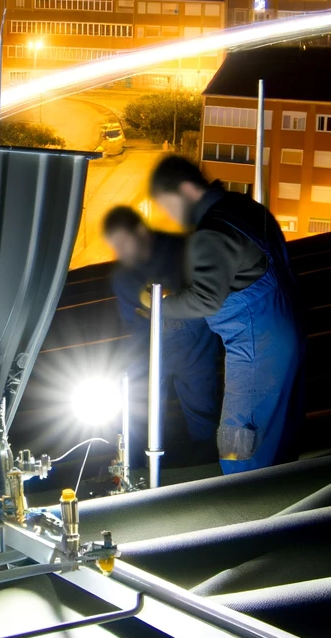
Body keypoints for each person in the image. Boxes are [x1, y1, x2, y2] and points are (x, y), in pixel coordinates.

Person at [147, 156, 305, 474]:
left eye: (167, 206)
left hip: (255, 345)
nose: (170, 216)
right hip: (288, 329)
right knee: (279, 428)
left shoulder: (212, 233)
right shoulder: (244, 208)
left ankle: (241, 502)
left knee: (241, 438)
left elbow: (205, 300)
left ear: (185, 191)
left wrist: (158, 304)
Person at [103, 205, 221, 454]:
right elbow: (134, 323)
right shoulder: (123, 277)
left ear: (140, 232)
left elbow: (205, 299)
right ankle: (137, 464)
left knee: (202, 411)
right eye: (115, 246)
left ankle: (208, 467)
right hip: (150, 348)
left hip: (195, 347)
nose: (120, 252)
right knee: (138, 409)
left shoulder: (182, 251)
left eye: (123, 243)